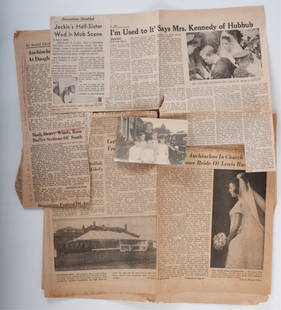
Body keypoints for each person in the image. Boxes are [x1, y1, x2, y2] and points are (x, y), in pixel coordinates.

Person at [224, 173, 265, 269]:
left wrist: (227, 240)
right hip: (254, 234)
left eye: (230, 188)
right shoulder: (246, 203)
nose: (229, 190)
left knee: (233, 247)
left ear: (237, 188)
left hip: (245, 236)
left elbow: (235, 227)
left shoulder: (239, 205)